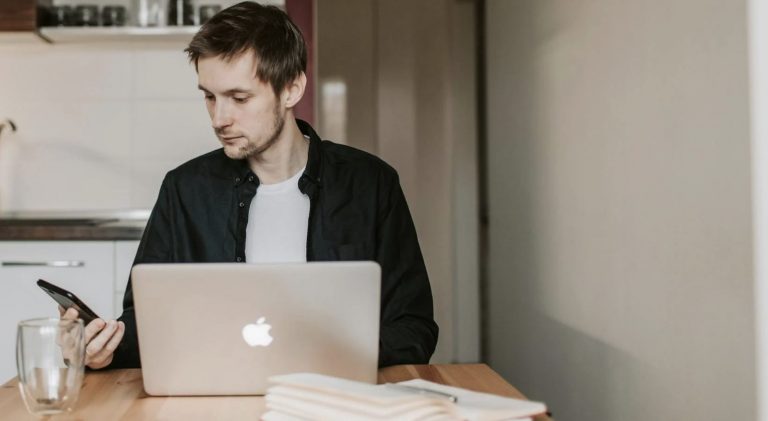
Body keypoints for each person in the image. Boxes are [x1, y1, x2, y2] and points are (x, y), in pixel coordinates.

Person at [60, 1, 438, 370]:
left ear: (291, 89)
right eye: (209, 97)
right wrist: (103, 349)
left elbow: (413, 328)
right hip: (212, 395)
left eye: (239, 98)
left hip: (330, 396)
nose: (219, 118)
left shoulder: (371, 183)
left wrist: (334, 354)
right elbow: (144, 322)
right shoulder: (184, 190)